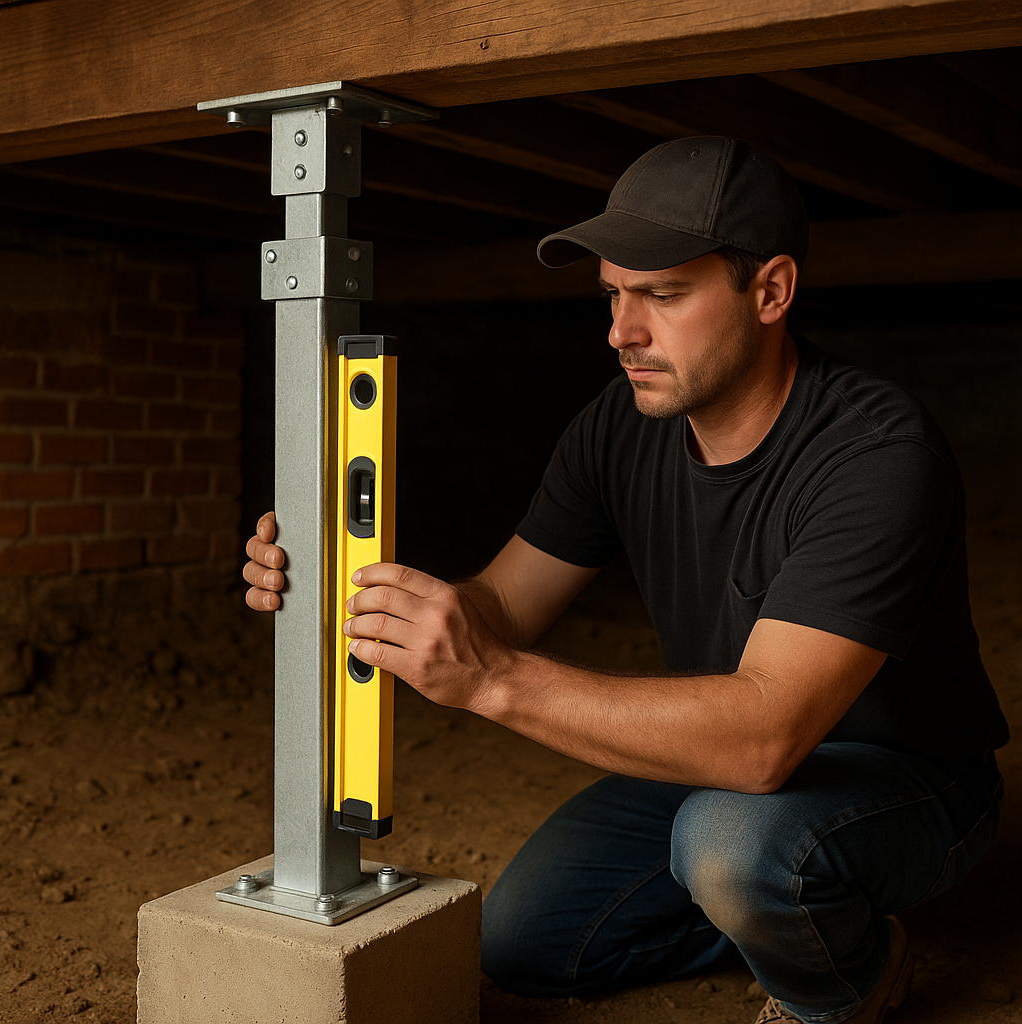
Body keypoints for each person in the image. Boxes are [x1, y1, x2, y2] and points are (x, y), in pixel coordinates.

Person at [243, 136, 1008, 1024]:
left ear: (771, 292)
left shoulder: (875, 455)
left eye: (663, 295)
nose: (620, 332)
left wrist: (491, 679)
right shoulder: (619, 426)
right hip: (713, 764)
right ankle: (776, 907)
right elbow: (502, 607)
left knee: (730, 846)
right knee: (525, 942)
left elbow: (764, 738)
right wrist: (351, 598)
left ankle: (847, 981)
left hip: (898, 777)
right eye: (612, 294)